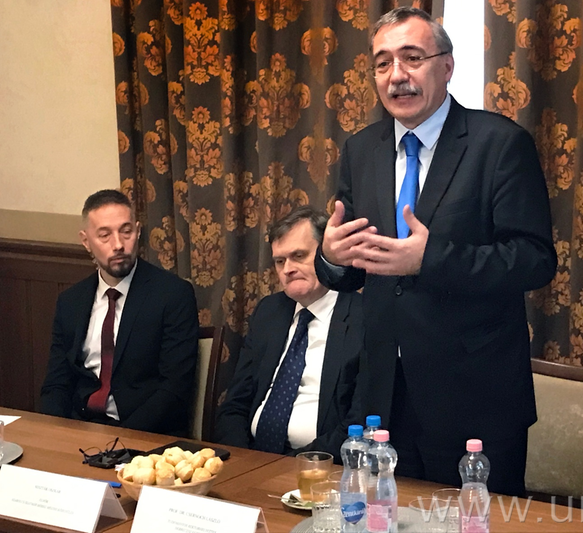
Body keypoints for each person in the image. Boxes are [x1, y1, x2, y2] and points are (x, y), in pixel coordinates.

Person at [314, 7, 556, 495]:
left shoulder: (499, 144)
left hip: (474, 399)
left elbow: (534, 259)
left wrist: (431, 259)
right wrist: (331, 258)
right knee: (384, 520)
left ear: (446, 66)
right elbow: (355, 271)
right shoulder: (360, 150)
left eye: (412, 57)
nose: (396, 75)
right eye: (383, 63)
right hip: (383, 397)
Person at [40, 189, 199, 436]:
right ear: (86, 241)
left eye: (126, 232)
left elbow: (174, 390)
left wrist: (121, 441)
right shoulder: (71, 301)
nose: (118, 245)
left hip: (145, 436)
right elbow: (57, 383)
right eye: (104, 235)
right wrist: (55, 434)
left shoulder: (172, 295)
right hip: (80, 430)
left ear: (138, 231)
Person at [214, 207, 365, 459]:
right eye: (279, 261)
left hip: (322, 465)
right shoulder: (269, 311)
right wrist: (243, 460)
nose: (287, 269)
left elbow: (358, 422)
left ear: (328, 254)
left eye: (299, 256)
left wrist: (292, 465)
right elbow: (235, 403)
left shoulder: (363, 317)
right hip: (253, 457)